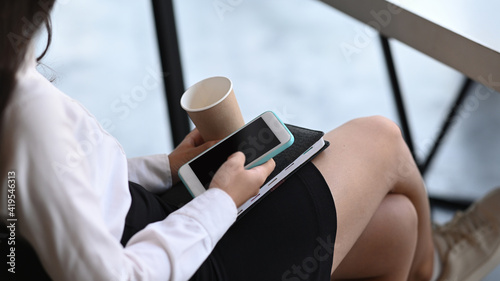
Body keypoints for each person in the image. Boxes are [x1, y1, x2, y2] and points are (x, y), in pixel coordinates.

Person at [1, 1, 500, 280]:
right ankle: (438, 265)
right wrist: (220, 200)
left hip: (138, 225)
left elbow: (36, 189)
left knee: (395, 228)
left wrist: (164, 167)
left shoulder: (11, 82)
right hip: (168, 261)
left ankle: (426, 260)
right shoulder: (25, 110)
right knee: (381, 138)